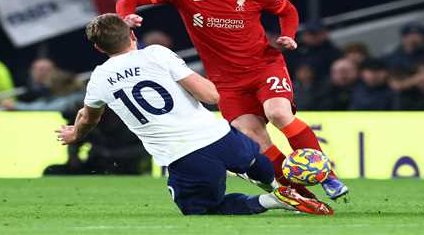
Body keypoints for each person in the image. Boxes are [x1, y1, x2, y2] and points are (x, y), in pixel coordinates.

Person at [116, 0, 348, 200]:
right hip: (225, 82)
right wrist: (127, 18)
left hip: (264, 66)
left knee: (278, 113)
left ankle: (327, 176)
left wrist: (288, 35)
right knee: (255, 137)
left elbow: (288, 11)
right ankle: (301, 195)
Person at [55, 14, 333, 216]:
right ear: (132, 35)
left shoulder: (99, 78)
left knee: (201, 210)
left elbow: (88, 118)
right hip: (221, 137)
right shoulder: (157, 54)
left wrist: (75, 134)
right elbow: (211, 96)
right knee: (251, 159)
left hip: (184, 156)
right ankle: (280, 187)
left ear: (99, 48)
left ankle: (278, 201)